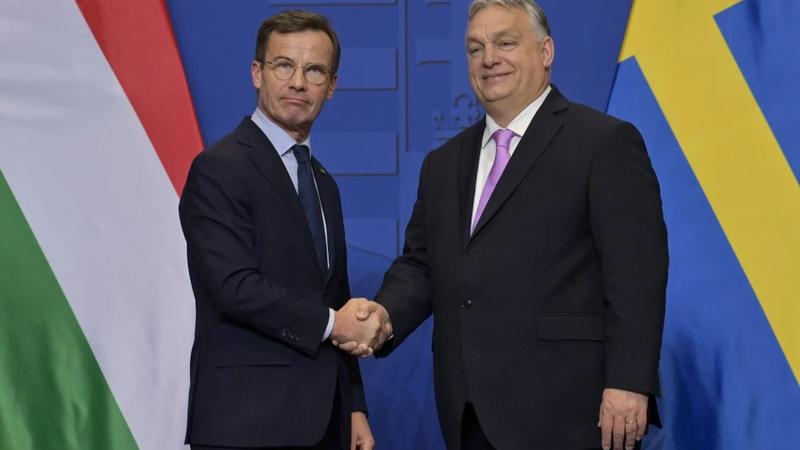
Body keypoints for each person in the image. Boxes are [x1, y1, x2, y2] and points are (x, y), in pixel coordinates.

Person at [342, 1, 668, 449]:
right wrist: (383, 316)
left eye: (505, 42)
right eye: (475, 48)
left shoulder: (604, 143)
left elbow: (636, 275)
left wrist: (629, 382)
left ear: (546, 50)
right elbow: (421, 266)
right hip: (469, 411)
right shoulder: (443, 164)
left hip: (572, 411)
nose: (489, 58)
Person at [179, 10, 384, 450]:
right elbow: (233, 286)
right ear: (257, 73)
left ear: (332, 86)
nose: (297, 82)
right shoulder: (219, 169)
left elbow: (336, 297)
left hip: (327, 423)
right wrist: (334, 324)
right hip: (247, 424)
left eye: (314, 70)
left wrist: (354, 406)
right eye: (284, 65)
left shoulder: (323, 182)